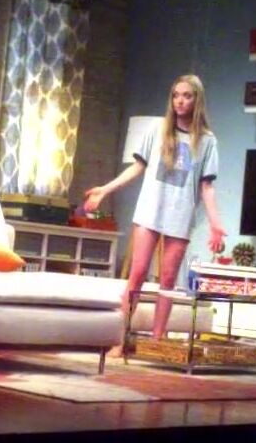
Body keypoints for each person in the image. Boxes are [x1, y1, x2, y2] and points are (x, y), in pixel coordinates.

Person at [84, 74, 226, 344]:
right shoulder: (157, 129)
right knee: (137, 274)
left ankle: (157, 341)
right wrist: (104, 190)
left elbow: (207, 187)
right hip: (150, 211)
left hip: (180, 216)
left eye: (187, 96)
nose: (180, 101)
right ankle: (120, 339)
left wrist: (216, 225)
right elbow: (137, 167)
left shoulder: (207, 141)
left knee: (168, 280)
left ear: (197, 100)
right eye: (176, 95)